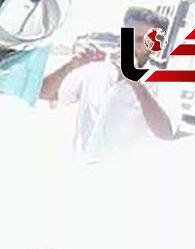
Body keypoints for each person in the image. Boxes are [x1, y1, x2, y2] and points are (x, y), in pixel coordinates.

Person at [39, 7, 178, 163]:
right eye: (127, 36)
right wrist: (71, 65)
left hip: (119, 180)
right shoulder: (96, 70)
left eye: (140, 40)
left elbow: (165, 133)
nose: (130, 44)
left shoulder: (163, 82)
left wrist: (136, 84)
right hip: (77, 172)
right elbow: (43, 93)